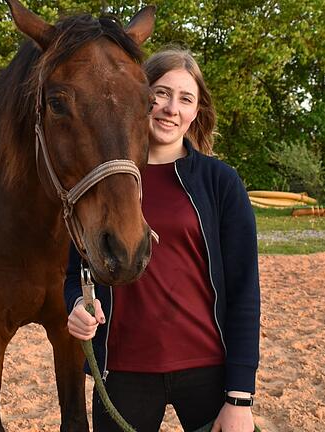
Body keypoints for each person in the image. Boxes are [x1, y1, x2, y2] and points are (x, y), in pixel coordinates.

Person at [64, 47, 260, 432]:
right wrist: (76, 306)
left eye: (186, 98)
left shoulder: (220, 182)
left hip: (208, 368)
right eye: (161, 93)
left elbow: (244, 292)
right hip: (122, 371)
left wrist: (239, 397)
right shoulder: (99, 182)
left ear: (196, 111)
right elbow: (76, 273)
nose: (171, 108)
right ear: (139, 98)